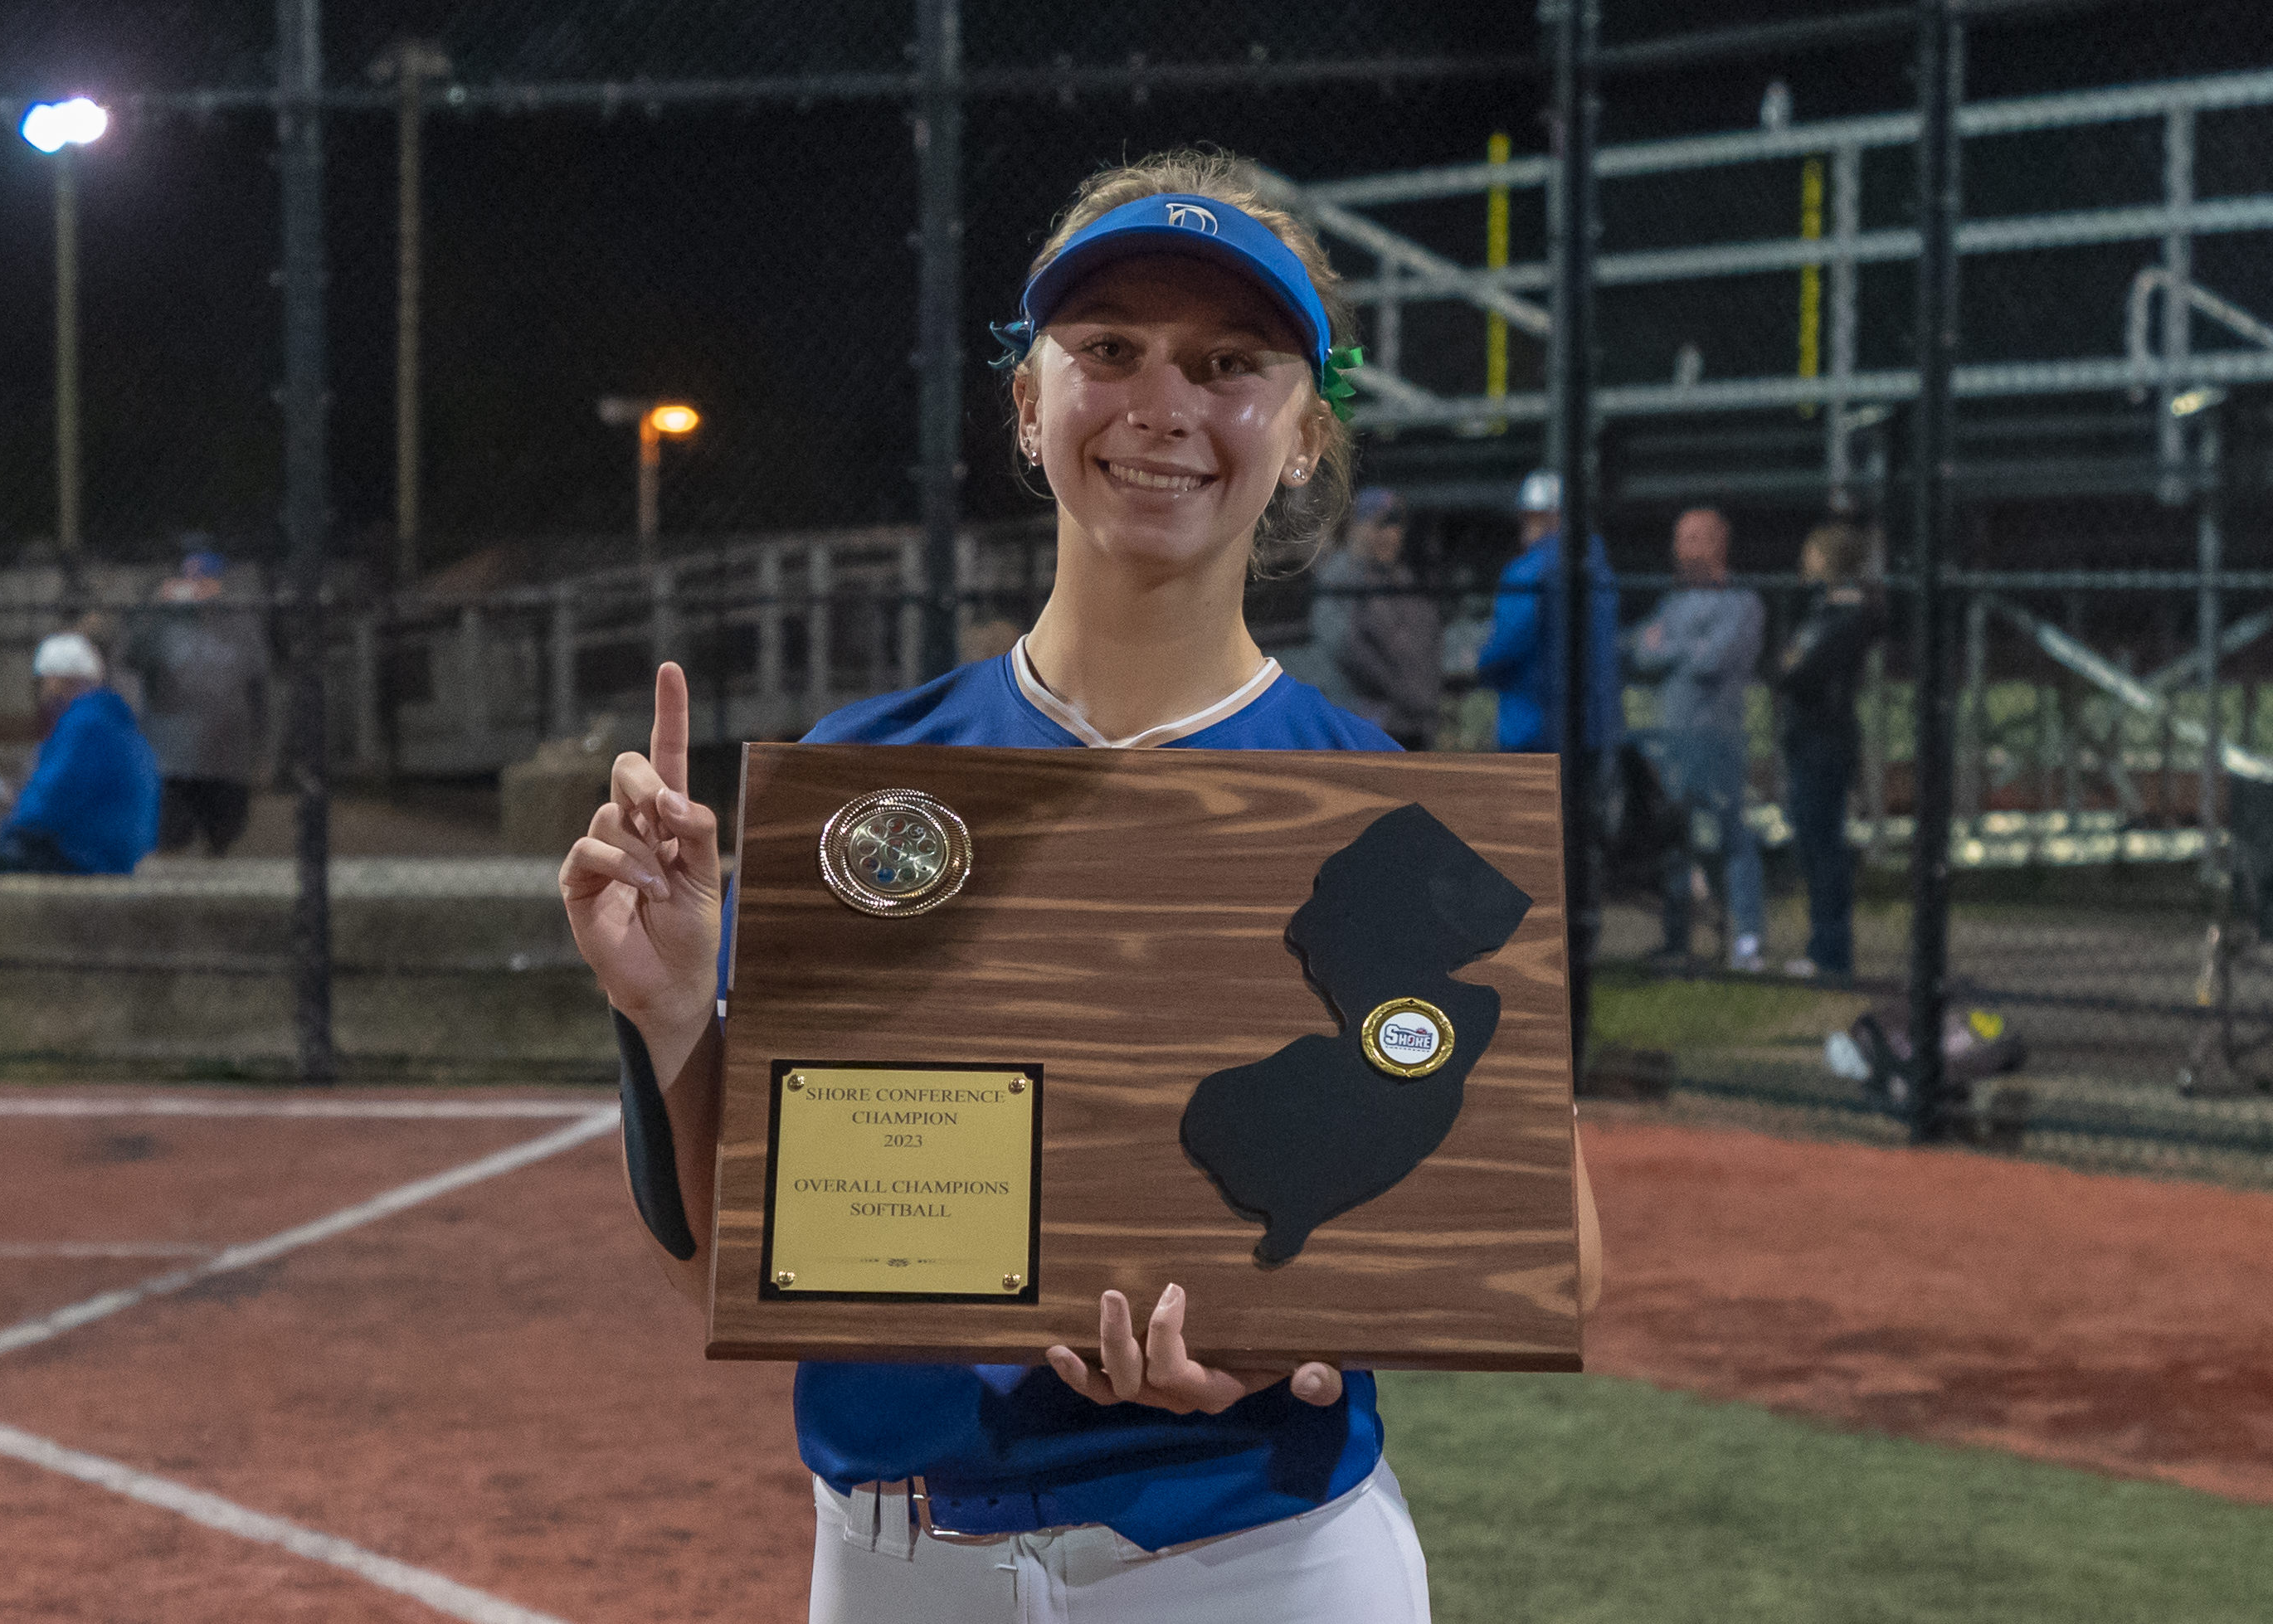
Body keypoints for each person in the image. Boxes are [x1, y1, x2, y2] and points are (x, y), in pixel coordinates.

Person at [560, 150, 1602, 1622]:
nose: (1163, 405)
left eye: (1229, 362)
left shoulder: (1384, 804)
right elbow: (722, 1277)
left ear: (1304, 434)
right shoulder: (869, 779)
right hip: (896, 1565)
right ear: (1029, 403)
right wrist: (667, 1013)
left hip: (1257, 1556)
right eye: (1108, 350)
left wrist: (1282, 1324)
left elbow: (1559, 1245)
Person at [1628, 508, 1766, 970]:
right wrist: (1682, 648)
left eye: (1694, 538)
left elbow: (1713, 660)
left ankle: (1747, 941)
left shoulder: (1743, 603)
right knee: (1675, 842)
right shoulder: (1674, 601)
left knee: (1731, 837)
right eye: (1679, 538)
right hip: (1674, 741)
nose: (1683, 549)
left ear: (1719, 543)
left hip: (1718, 740)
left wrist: (1669, 647)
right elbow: (1642, 653)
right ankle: (1677, 941)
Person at [0, 632, 158, 877]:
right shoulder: (112, 721)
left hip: (87, 854)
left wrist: (15, 804)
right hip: (116, 848)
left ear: (57, 681)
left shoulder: (84, 725)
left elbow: (49, 801)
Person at [1776, 522, 1881, 980]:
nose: (1806, 561)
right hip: (1807, 737)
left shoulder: (1847, 616)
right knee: (1812, 843)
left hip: (1825, 740)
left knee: (1824, 846)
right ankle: (1823, 945)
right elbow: (1783, 665)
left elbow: (1802, 671)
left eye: (1814, 554)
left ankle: (1832, 951)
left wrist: (1792, 665)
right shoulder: (1819, 612)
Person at [124, 547, 270, 857]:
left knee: (222, 838)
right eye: (189, 578)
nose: (197, 586)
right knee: (171, 839)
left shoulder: (240, 623)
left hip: (227, 753)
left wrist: (260, 745)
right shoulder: (162, 623)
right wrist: (155, 607)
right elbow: (131, 656)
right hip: (170, 755)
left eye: (205, 579)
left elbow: (258, 687)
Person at [1476, 469, 1623, 757]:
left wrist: (1479, 664)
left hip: (1532, 733)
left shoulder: (1527, 573)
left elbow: (1507, 646)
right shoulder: (1601, 572)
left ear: (1545, 517)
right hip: (1595, 733)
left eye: (1529, 517)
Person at [1306, 488, 1441, 750]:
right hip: (1364, 729)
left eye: (1395, 526)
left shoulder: (1401, 579)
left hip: (1411, 726)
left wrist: (1422, 699)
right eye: (1380, 525)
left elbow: (1429, 640)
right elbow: (1345, 646)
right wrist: (1406, 692)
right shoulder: (1338, 577)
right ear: (1357, 528)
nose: (1390, 535)